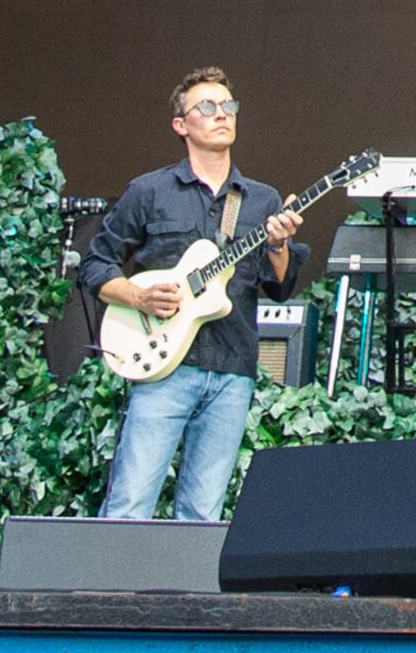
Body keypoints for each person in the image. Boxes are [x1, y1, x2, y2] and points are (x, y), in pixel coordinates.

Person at [79, 68, 310, 522]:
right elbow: (94, 265)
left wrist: (279, 243)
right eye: (207, 107)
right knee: (129, 503)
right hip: (163, 367)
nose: (221, 114)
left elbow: (280, 287)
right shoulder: (149, 191)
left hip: (231, 370)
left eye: (229, 106)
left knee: (203, 514)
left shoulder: (261, 201)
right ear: (180, 124)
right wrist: (136, 296)